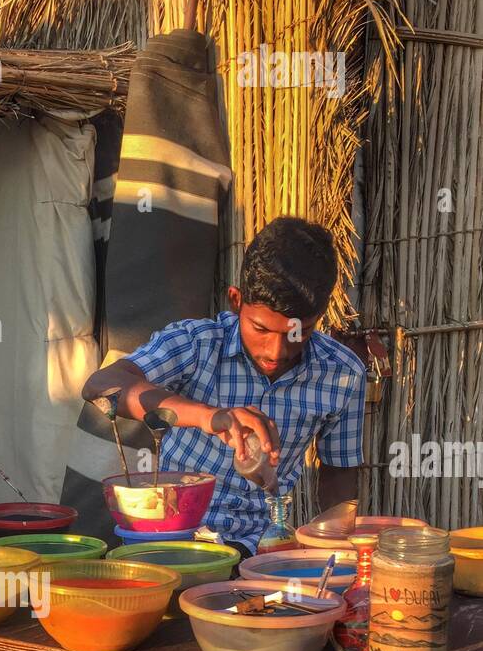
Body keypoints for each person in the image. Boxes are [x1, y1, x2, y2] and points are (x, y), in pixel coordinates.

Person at [80, 216, 366, 556]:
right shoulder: (196, 344)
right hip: (170, 543)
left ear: (318, 318)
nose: (276, 351)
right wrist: (210, 417)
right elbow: (101, 385)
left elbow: (337, 478)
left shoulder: (342, 374)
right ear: (235, 300)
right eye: (261, 329)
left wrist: (335, 550)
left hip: (258, 552)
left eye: (297, 333)